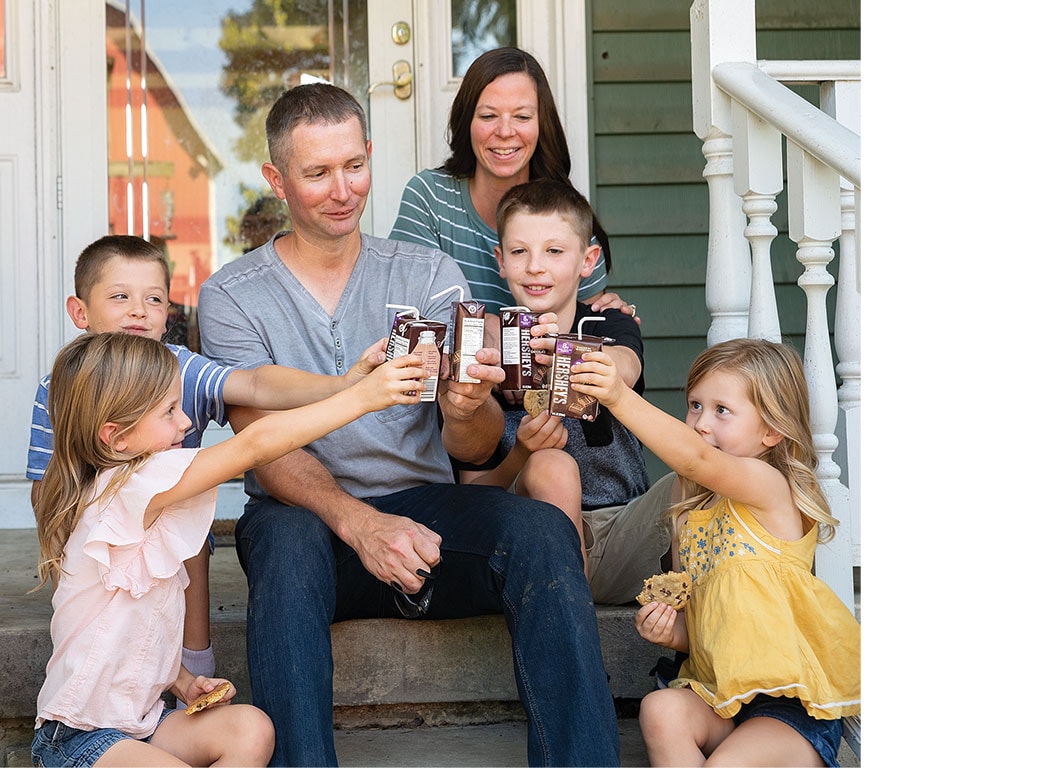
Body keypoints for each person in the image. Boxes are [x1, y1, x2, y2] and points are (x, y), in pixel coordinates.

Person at [197, 82, 619, 767]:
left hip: (429, 512)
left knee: (542, 531)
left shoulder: (427, 272)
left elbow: (477, 448)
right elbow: (264, 448)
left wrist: (465, 408)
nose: (342, 190)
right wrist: (361, 523)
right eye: (316, 173)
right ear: (276, 179)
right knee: (283, 541)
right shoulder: (232, 296)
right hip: (312, 520)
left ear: (369, 154)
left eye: (354, 166)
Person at [29, 331, 425, 767]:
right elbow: (255, 444)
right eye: (168, 411)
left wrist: (179, 681)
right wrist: (364, 398)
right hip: (78, 738)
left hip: (144, 723)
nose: (185, 422)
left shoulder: (143, 497)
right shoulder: (126, 489)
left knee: (251, 729)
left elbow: (127, 625)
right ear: (116, 437)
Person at [26, 234, 389, 703]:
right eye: (120, 297)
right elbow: (47, 493)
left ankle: (194, 662)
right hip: (96, 539)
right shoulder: (62, 384)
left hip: (173, 529)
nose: (138, 311)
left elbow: (255, 384)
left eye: (153, 299)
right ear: (81, 312)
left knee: (188, 523)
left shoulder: (180, 367)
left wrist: (339, 385)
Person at [577, 338, 861, 767]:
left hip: (787, 706)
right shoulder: (686, 510)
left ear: (771, 431)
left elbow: (696, 461)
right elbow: (704, 627)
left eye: (721, 410)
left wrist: (618, 396)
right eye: (695, 405)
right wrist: (670, 632)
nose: (701, 423)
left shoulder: (768, 488)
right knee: (660, 709)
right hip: (715, 696)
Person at [457, 179, 652, 583]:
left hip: (620, 526)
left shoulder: (606, 321)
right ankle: (570, 604)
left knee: (699, 479)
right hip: (531, 538)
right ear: (500, 260)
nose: (534, 266)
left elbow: (625, 368)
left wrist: (564, 352)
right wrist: (523, 452)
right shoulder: (490, 347)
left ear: (588, 260)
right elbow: (473, 487)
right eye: (519, 251)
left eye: (554, 251)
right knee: (552, 464)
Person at [389, 46, 637, 321]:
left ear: (542, 124)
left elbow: (584, 327)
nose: (505, 132)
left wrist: (612, 318)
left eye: (522, 117)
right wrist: (492, 329)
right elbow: (406, 311)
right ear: (466, 122)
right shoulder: (429, 198)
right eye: (488, 116)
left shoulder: (564, 214)